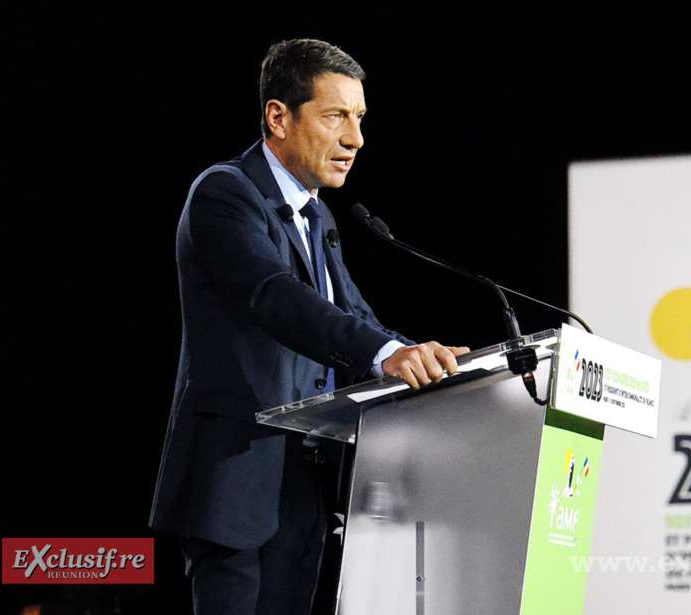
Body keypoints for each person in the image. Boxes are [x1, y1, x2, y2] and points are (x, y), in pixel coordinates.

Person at [149, 38, 468, 615]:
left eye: (361, 118)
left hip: (305, 480)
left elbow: (354, 319)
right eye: (336, 116)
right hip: (236, 479)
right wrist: (387, 352)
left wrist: (429, 358)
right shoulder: (224, 193)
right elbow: (275, 296)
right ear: (279, 116)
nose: (355, 139)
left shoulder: (315, 214)